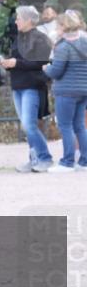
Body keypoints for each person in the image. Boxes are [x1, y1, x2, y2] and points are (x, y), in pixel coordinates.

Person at [0, 6, 54, 173]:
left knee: (28, 125)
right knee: (27, 126)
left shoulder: (41, 38)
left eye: (19, 18)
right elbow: (19, 60)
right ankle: (34, 158)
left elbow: (41, 63)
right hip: (18, 85)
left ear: (29, 20)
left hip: (32, 86)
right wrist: (8, 63)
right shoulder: (19, 38)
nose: (16, 21)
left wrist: (16, 63)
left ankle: (45, 157)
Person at [42, 11, 87, 173]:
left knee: (66, 126)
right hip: (83, 90)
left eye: (57, 26)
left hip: (66, 90)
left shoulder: (63, 46)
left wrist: (47, 68)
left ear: (63, 27)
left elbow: (56, 72)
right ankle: (84, 161)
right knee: (80, 126)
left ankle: (67, 162)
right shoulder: (84, 42)